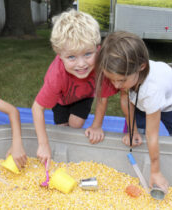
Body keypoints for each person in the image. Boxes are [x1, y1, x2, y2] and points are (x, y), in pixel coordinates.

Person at [93, 31, 172, 193]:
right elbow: (125, 100)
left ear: (141, 67)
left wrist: (155, 171)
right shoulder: (126, 75)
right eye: (112, 79)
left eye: (120, 80)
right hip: (140, 101)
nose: (116, 85)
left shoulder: (152, 89)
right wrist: (132, 127)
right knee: (135, 138)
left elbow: (152, 134)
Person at [32, 9, 117, 168]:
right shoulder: (56, 75)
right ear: (59, 54)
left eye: (88, 54)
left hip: (84, 96)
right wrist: (43, 144)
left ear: (97, 47)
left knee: (76, 125)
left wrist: (97, 126)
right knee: (62, 130)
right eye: (71, 57)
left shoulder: (101, 64)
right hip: (61, 99)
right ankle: (64, 159)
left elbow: (102, 97)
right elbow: (37, 108)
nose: (81, 64)